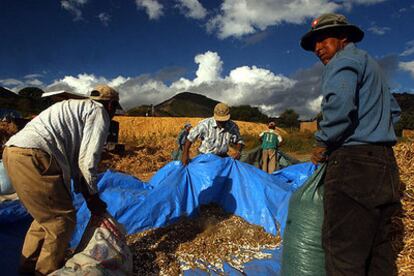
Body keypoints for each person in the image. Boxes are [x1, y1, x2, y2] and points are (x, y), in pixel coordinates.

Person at [301, 13, 401, 275]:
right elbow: (394, 112)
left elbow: (339, 107)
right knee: (379, 253)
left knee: (344, 254)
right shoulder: (371, 65)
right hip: (384, 165)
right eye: (314, 45)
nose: (318, 49)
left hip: (352, 166)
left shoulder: (342, 61)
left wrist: (322, 142)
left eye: (323, 40)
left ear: (343, 38)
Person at [2, 84, 121, 275]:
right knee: (62, 220)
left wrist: (86, 192)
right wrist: (92, 197)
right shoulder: (99, 112)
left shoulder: (74, 108)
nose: (113, 114)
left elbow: (76, 163)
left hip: (12, 151)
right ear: (110, 105)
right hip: (35, 154)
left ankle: (27, 270)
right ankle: (47, 271)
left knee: (44, 218)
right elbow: (87, 161)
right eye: (114, 109)